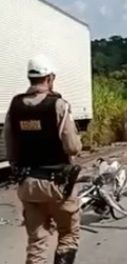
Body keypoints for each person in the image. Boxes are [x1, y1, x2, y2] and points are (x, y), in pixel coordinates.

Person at [4, 54, 83, 264]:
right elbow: (73, 147)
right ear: (49, 78)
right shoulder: (59, 105)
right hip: (58, 184)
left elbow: (10, 148)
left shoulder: (15, 105)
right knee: (68, 235)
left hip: (28, 184)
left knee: (36, 242)